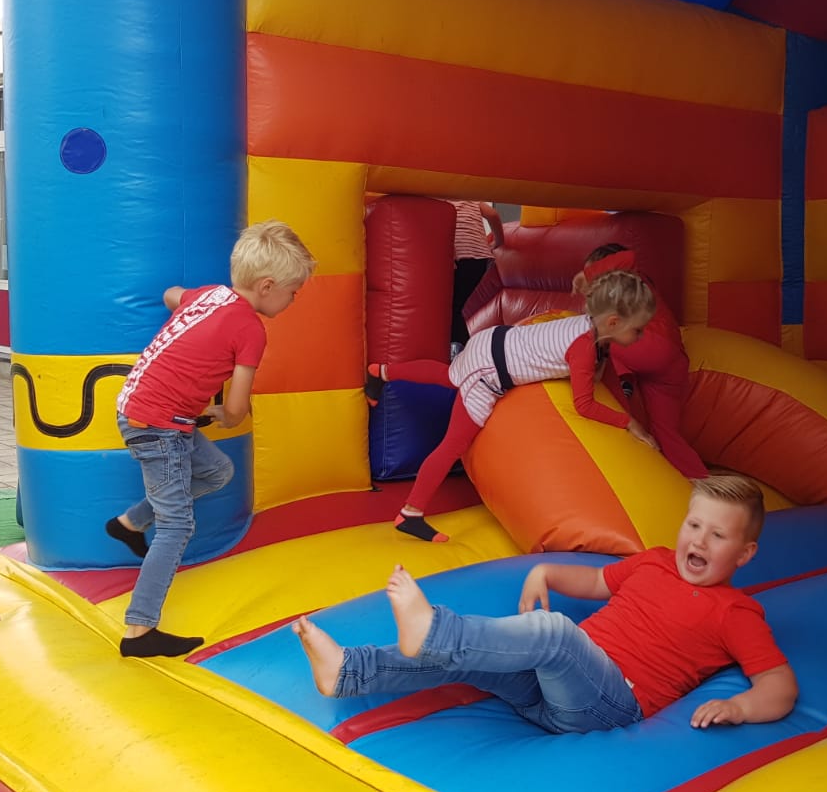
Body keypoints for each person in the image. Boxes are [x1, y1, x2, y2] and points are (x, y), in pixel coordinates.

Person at [292, 474, 797, 733]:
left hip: (608, 704)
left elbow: (779, 685)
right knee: (471, 658)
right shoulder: (655, 561)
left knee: (554, 632)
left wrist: (738, 707)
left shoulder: (734, 613)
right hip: (549, 690)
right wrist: (544, 571)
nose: (699, 541)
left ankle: (434, 630)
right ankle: (350, 672)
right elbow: (596, 580)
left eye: (718, 535)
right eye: (694, 525)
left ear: (745, 553)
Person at [106, 220, 316, 658]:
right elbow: (236, 410)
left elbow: (171, 294)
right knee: (177, 525)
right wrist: (226, 413)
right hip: (158, 424)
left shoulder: (209, 295)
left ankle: (129, 523)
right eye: (293, 292)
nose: (294, 300)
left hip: (145, 408)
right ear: (267, 286)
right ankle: (139, 631)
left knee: (218, 471)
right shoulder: (251, 330)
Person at [365, 270, 660, 543]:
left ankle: (381, 372)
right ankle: (411, 512)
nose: (641, 336)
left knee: (449, 375)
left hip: (492, 341)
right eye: (638, 330)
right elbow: (584, 405)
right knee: (453, 445)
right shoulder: (583, 349)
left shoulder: (586, 326)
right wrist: (628, 422)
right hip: (489, 371)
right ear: (613, 323)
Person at [574, 244, 707, 478]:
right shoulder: (634, 295)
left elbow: (628, 257)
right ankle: (703, 482)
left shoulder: (631, 283)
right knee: (667, 433)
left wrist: (588, 274)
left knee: (595, 337)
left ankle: (624, 383)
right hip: (672, 362)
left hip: (652, 346)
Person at [449, 200, 506, 345]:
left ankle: (462, 348)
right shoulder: (470, 199)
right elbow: (492, 214)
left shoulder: (440, 199)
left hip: (459, 256)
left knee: (450, 309)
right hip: (480, 259)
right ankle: (462, 347)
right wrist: (498, 241)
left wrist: (449, 254)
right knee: (455, 307)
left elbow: (444, 227)